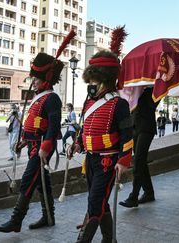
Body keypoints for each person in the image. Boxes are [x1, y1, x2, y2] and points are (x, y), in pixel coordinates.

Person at [67, 50, 133, 242]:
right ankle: (109, 239)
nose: (91, 85)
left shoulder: (119, 104)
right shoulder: (89, 103)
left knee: (95, 203)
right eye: (90, 80)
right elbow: (86, 129)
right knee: (101, 202)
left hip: (108, 161)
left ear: (105, 80)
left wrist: (123, 159)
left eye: (94, 80)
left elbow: (127, 135)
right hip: (91, 160)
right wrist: (77, 144)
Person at [0, 51, 64, 232]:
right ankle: (49, 217)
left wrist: (46, 147)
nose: (33, 82)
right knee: (42, 183)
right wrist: (24, 141)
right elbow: (35, 126)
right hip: (33, 145)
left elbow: (53, 127)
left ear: (46, 79)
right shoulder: (38, 98)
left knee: (27, 180)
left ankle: (16, 220)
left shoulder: (52, 98)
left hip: (42, 148)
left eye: (36, 79)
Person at [119, 87, 159, 208]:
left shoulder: (153, 89)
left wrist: (140, 91)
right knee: (140, 161)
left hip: (147, 127)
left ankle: (134, 196)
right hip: (135, 127)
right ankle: (149, 192)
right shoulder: (134, 89)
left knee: (138, 160)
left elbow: (152, 105)